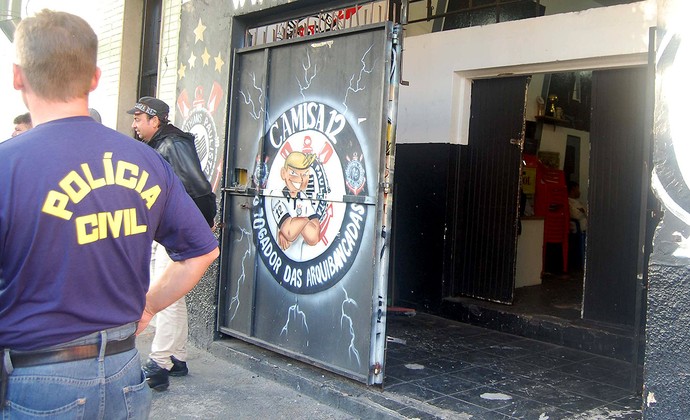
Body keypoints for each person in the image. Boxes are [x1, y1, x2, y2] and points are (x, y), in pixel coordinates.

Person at [0, 10, 219, 418]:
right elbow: (203, 251)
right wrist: (149, 306)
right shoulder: (146, 162)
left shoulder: (8, 166)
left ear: (17, 77)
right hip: (124, 372)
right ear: (95, 78)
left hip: (35, 382)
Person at [128, 96, 216, 391]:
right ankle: (177, 357)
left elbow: (199, 188)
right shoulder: (161, 144)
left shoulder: (171, 144)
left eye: (139, 118)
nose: (135, 124)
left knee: (165, 294)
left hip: (177, 229)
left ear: (156, 120)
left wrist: (201, 225)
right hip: (172, 228)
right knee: (172, 296)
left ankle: (159, 364)